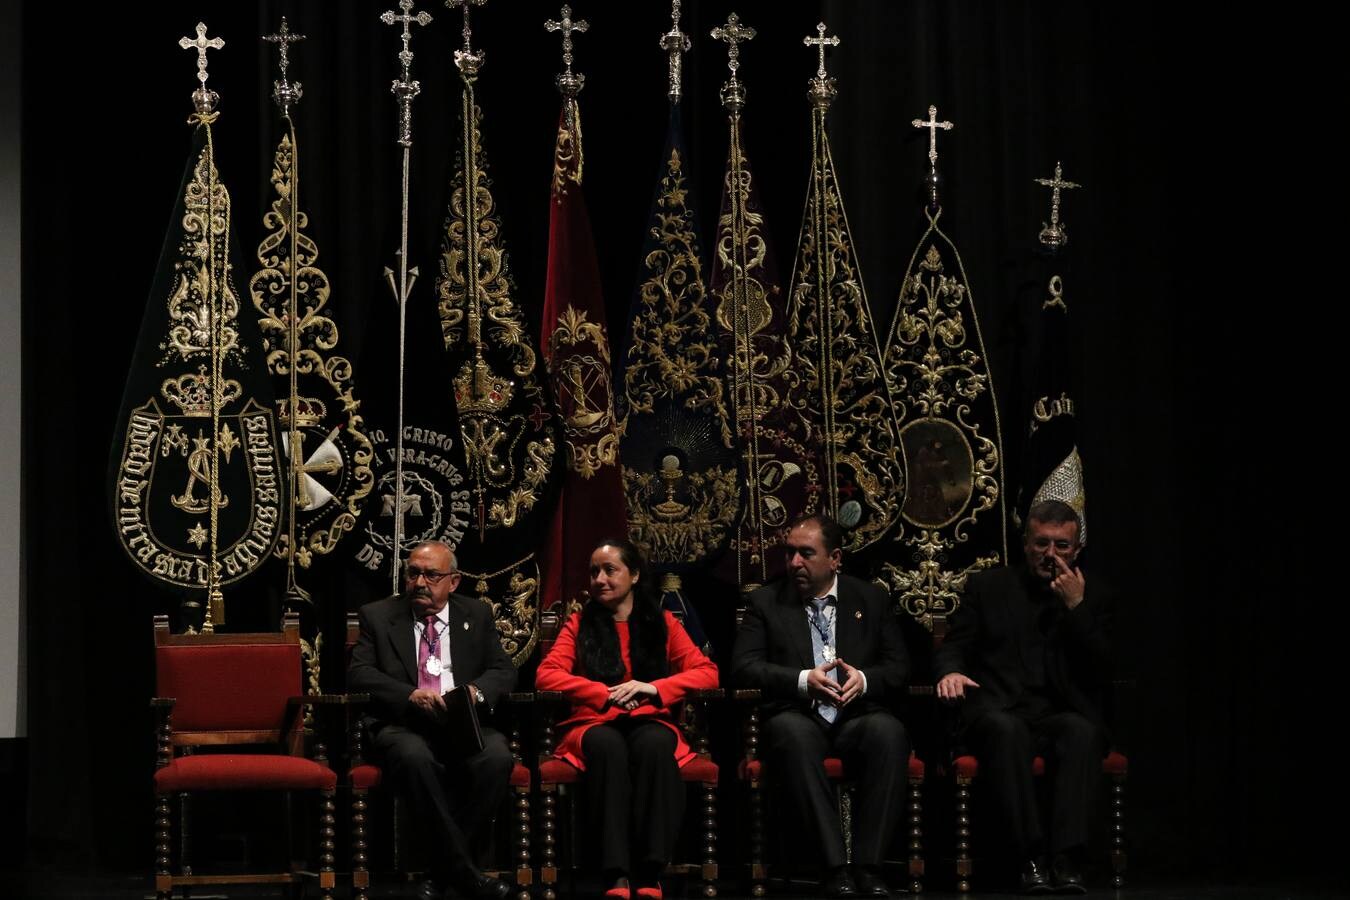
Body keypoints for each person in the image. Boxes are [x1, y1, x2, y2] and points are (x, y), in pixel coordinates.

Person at [935, 499, 1112, 895]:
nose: (1051, 555)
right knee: (1006, 729)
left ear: (1077, 549)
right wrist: (949, 671)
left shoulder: (1093, 595)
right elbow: (955, 644)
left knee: (1081, 732)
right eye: (1041, 543)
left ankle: (1066, 861)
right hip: (998, 709)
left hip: (1057, 712)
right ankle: (1029, 858)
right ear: (1026, 543)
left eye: (1061, 546)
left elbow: (1106, 667)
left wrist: (1076, 608)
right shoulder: (989, 586)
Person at [732, 514, 911, 899]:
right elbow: (743, 666)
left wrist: (863, 680)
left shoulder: (871, 599)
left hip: (855, 715)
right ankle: (834, 867)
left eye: (806, 553)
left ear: (835, 559)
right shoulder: (765, 601)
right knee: (792, 734)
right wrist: (802, 680)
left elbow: (899, 667)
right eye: (790, 553)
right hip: (797, 714)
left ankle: (869, 866)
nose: (794, 562)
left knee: (889, 732)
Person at [535, 538, 719, 900]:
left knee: (654, 745)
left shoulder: (662, 622)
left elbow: (707, 673)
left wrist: (654, 688)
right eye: (594, 572)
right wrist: (600, 693)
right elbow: (547, 675)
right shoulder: (579, 623)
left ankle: (650, 871)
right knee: (607, 747)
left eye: (610, 570)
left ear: (634, 575)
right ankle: (615, 873)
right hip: (593, 723)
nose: (600, 579)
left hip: (650, 719)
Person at [348, 540, 516, 900]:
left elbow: (503, 670)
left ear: (453, 582)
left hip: (461, 721)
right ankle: (468, 876)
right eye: (413, 573)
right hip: (404, 723)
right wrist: (408, 695)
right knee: (414, 757)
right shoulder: (377, 615)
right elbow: (359, 673)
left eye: (431, 575)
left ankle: (442, 874)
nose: (419, 582)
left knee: (498, 756)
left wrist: (474, 692)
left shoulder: (476, 613)